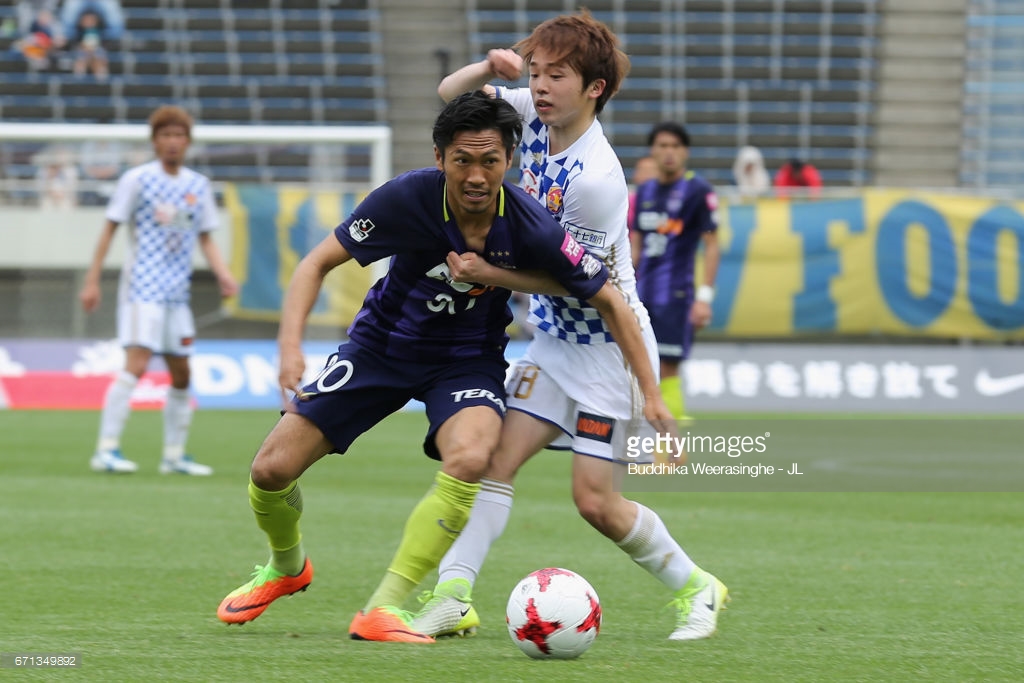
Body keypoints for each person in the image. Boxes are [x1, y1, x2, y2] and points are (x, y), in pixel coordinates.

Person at [215, 91, 672, 642]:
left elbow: (611, 299)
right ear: (439, 159)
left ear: (510, 161)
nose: (476, 176)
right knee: (269, 471)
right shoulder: (406, 200)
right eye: (462, 161)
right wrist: (289, 346)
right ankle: (287, 568)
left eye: (490, 161)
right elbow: (317, 263)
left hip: (465, 361)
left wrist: (650, 391)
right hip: (379, 349)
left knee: (473, 456)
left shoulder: (530, 225)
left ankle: (383, 609)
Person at [413, 11, 728, 642]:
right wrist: (489, 69)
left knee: (595, 504)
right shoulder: (530, 112)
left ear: (595, 89)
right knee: (490, 463)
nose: (541, 85)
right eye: (536, 72)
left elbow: (584, 285)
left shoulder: (598, 181)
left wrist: (491, 274)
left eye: (557, 74)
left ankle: (699, 588)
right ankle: (453, 594)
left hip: (608, 348)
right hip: (554, 340)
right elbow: (453, 98)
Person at [79, 106, 238, 475]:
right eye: (165, 135)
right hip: (142, 289)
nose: (172, 142)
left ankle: (173, 455)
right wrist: (92, 280)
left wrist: (224, 275)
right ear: (154, 141)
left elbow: (206, 238)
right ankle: (105, 449)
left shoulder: (196, 186)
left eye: (178, 136)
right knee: (135, 365)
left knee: (182, 374)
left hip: (176, 295)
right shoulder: (137, 180)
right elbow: (109, 229)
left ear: (187, 142)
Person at [630, 122, 721, 424]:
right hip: (642, 296)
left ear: (685, 152)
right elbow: (636, 246)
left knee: (668, 365)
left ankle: (669, 439)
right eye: (662, 146)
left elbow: (711, 245)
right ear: (652, 151)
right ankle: (640, 434)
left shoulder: (698, 191)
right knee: (635, 365)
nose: (668, 153)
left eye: (675, 146)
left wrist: (704, 298)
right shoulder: (644, 192)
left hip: (677, 295)